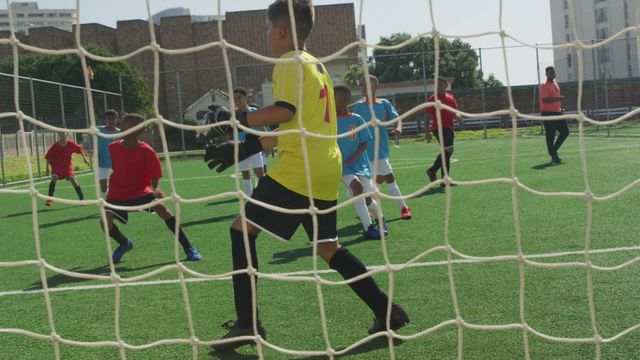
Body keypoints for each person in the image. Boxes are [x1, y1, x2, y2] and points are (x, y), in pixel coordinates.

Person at [203, 0, 409, 351]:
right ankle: (386, 310)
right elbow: (301, 126)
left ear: (281, 30)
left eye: (268, 28)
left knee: (240, 231)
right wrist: (245, 148)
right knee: (328, 247)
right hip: (326, 168)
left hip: (298, 171)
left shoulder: (287, 62)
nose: (267, 35)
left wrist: (234, 116)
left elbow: (284, 113)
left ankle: (248, 324)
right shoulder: (317, 66)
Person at [102, 114, 202, 263]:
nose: (119, 126)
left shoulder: (146, 150)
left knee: (164, 211)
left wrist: (156, 189)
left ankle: (188, 248)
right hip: (117, 194)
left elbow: (155, 177)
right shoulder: (113, 147)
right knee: (104, 222)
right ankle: (124, 243)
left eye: (123, 124)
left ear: (136, 129)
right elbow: (116, 169)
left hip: (141, 192)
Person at [354, 75, 412, 220]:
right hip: (364, 153)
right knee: (371, 183)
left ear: (376, 86)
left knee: (388, 178)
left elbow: (397, 119)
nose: (364, 87)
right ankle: (370, 208)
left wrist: (399, 128)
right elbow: (354, 126)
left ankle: (403, 207)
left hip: (381, 151)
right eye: (361, 84)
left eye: (367, 84)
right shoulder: (358, 106)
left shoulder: (384, 103)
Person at [334, 85, 387, 239]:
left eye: (336, 97)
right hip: (342, 166)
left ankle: (381, 219)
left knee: (367, 198)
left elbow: (364, 142)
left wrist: (354, 156)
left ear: (345, 99)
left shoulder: (357, 119)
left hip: (360, 165)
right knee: (357, 188)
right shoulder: (329, 122)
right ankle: (368, 228)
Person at [425, 77, 460, 185]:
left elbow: (456, 111)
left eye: (441, 84)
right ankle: (434, 171)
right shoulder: (432, 99)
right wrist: (427, 131)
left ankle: (442, 177)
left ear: (446, 86)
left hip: (449, 128)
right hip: (438, 128)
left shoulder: (451, 97)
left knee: (447, 152)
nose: (438, 87)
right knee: (448, 150)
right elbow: (427, 116)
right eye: (437, 85)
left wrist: (458, 116)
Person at [44, 130, 89, 206]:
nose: (62, 134)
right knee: (54, 178)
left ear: (67, 134)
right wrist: (47, 168)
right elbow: (48, 157)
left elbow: (79, 149)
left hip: (67, 167)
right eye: (60, 133)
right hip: (56, 167)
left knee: (73, 179)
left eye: (63, 133)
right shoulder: (55, 146)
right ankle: (49, 200)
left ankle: (82, 200)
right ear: (58, 134)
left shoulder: (70, 144)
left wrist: (85, 159)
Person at [233, 87, 264, 196]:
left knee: (260, 173)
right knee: (245, 174)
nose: (237, 100)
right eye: (235, 98)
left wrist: (266, 144)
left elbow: (262, 129)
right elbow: (229, 132)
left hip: (255, 146)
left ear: (246, 97)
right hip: (241, 148)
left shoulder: (253, 112)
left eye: (239, 97)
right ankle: (249, 197)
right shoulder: (232, 115)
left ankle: (260, 196)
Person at [540, 66, 568, 164]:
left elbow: (556, 99)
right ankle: (554, 156)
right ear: (546, 74)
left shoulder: (556, 84)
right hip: (548, 114)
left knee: (565, 132)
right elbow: (545, 100)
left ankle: (553, 151)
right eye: (550, 72)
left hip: (557, 112)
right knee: (550, 135)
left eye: (553, 72)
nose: (552, 74)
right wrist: (558, 99)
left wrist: (560, 108)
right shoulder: (544, 85)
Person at [97, 109, 120, 194]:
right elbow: (92, 143)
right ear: (105, 120)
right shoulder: (99, 131)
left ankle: (115, 201)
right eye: (108, 119)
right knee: (103, 188)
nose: (111, 121)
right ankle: (110, 197)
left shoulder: (119, 132)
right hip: (102, 161)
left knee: (118, 184)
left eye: (113, 118)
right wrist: (95, 154)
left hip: (116, 163)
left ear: (117, 120)